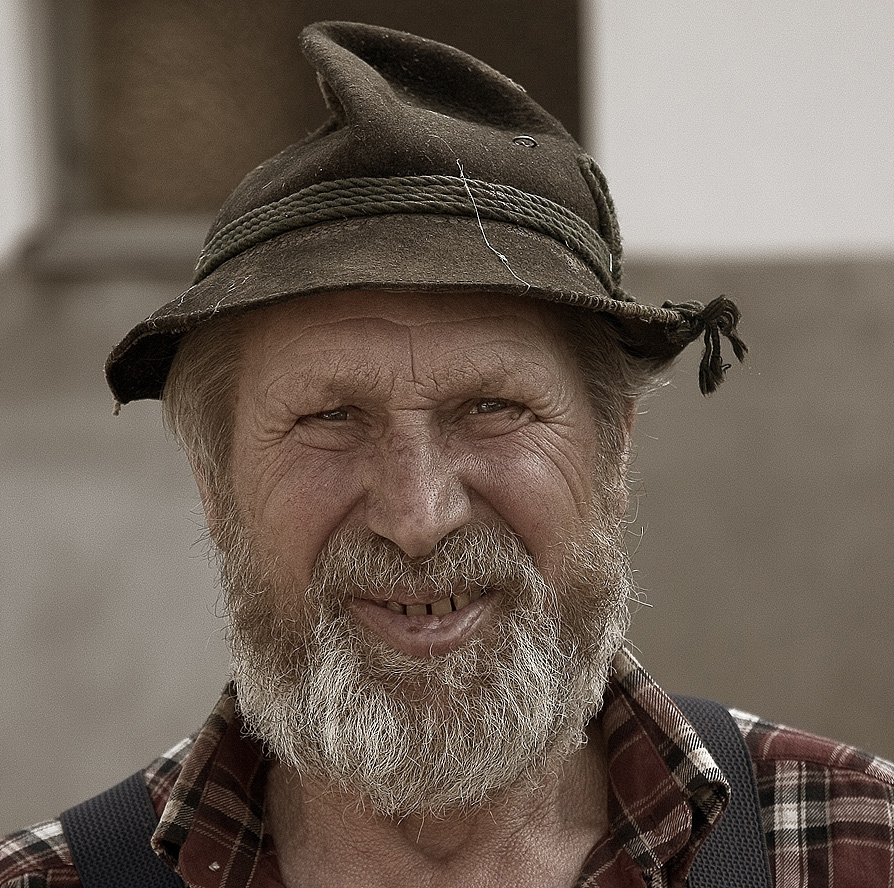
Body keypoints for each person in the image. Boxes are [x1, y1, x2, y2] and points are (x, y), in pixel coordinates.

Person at [2, 20, 892, 888]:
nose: (419, 517)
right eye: (331, 417)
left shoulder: (852, 849)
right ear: (215, 483)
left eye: (493, 407)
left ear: (611, 456)